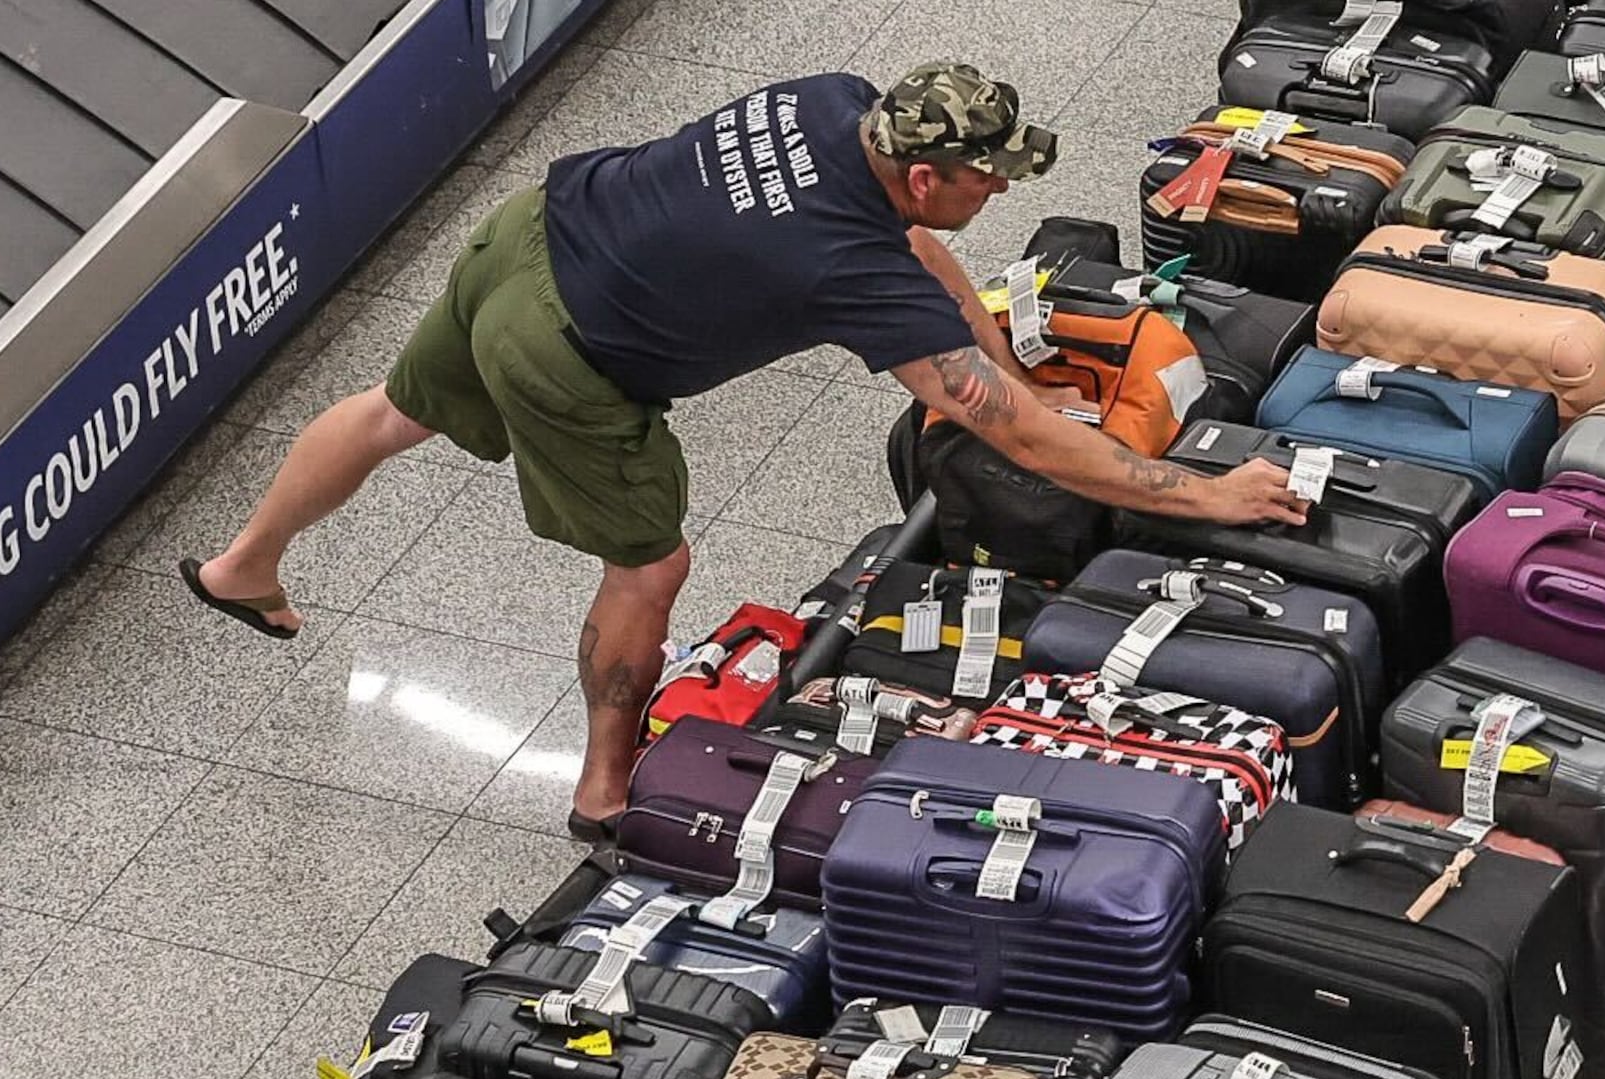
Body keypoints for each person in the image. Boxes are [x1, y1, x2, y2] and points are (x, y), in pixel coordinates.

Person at [183, 63, 1307, 839]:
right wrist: (1207, 495)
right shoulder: (840, 263)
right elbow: (1031, 445)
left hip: (530, 231)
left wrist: (995, 359)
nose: (1000, 189)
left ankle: (243, 567)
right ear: (925, 172)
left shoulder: (837, 105)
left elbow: (917, 257)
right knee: (650, 564)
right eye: (989, 179)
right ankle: (606, 786)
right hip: (567, 349)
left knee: (393, 409)